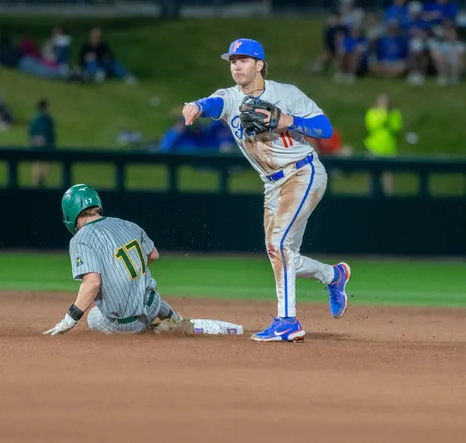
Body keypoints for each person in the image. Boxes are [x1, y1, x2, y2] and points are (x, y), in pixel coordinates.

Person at [181, 38, 351, 342]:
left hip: (303, 171)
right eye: (233, 61)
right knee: (283, 254)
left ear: (259, 64)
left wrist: (288, 120)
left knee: (278, 243)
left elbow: (325, 128)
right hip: (271, 184)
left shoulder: (285, 93)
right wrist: (195, 106)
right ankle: (333, 276)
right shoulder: (230, 97)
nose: (236, 65)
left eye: (243, 59)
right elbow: (212, 104)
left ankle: (288, 322)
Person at [43, 184, 189, 336]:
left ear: (70, 213)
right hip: (152, 307)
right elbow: (153, 255)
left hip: (126, 325)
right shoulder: (128, 224)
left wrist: (70, 319)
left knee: (94, 316)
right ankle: (174, 318)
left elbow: (92, 283)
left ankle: (151, 330)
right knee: (145, 288)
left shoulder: (80, 239)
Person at [364, 93, 403, 195]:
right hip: (374, 147)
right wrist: (383, 113)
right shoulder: (372, 113)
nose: (384, 104)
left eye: (386, 102)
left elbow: (396, 127)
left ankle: (388, 194)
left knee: (389, 173)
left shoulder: (395, 114)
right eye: (382, 102)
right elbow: (372, 125)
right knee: (374, 172)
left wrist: (387, 117)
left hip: (389, 147)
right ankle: (373, 193)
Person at [28, 98, 56, 187]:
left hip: (45, 145)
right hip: (40, 145)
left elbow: (51, 133)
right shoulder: (38, 119)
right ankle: (37, 182)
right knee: (39, 165)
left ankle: (39, 180)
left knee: (45, 168)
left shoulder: (47, 119)